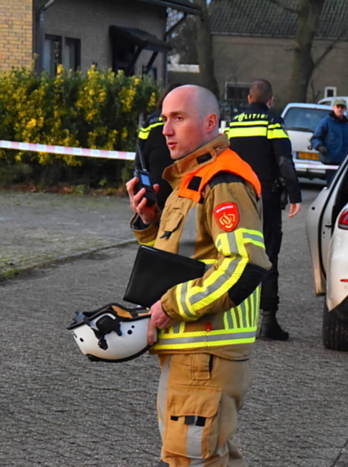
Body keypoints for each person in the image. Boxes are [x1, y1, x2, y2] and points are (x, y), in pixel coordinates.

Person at [126, 85, 271, 467]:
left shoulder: (222, 181)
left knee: (189, 460)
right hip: (192, 352)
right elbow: (186, 255)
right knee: (208, 458)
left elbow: (244, 264)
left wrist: (170, 307)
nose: (166, 130)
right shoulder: (190, 178)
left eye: (178, 118)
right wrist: (148, 222)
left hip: (205, 352)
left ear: (210, 122)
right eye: (163, 119)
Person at [225, 79, 302, 341]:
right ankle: (268, 320)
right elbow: (283, 159)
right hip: (265, 198)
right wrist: (295, 195)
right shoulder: (272, 123)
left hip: (237, 198)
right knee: (268, 255)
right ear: (270, 100)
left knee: (236, 254)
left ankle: (232, 316)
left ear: (249, 99)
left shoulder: (234, 124)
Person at [135, 82, 181, 210]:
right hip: (180, 184)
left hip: (155, 183)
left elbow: (140, 152)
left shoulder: (151, 121)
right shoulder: (185, 120)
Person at [311, 98, 348, 185]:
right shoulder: (325, 122)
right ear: (333, 107)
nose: (340, 109)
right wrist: (320, 146)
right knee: (332, 186)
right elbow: (315, 138)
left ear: (345, 108)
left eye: (342, 107)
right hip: (331, 162)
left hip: (344, 162)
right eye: (338, 106)